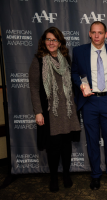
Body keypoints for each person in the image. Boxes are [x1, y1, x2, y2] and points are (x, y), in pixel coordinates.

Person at [29, 27, 81, 192]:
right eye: (48, 39)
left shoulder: (65, 59)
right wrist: (38, 111)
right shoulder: (38, 60)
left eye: (55, 40)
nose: (51, 42)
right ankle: (53, 177)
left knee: (66, 145)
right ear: (44, 42)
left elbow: (72, 83)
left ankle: (66, 174)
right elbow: (34, 88)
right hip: (50, 111)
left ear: (60, 43)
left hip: (67, 110)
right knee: (53, 147)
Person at [71, 21, 107, 190]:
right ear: (89, 33)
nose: (97, 35)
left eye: (100, 32)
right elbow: (74, 73)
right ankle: (95, 175)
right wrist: (81, 85)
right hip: (89, 101)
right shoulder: (79, 51)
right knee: (92, 140)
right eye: (94, 32)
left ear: (106, 34)